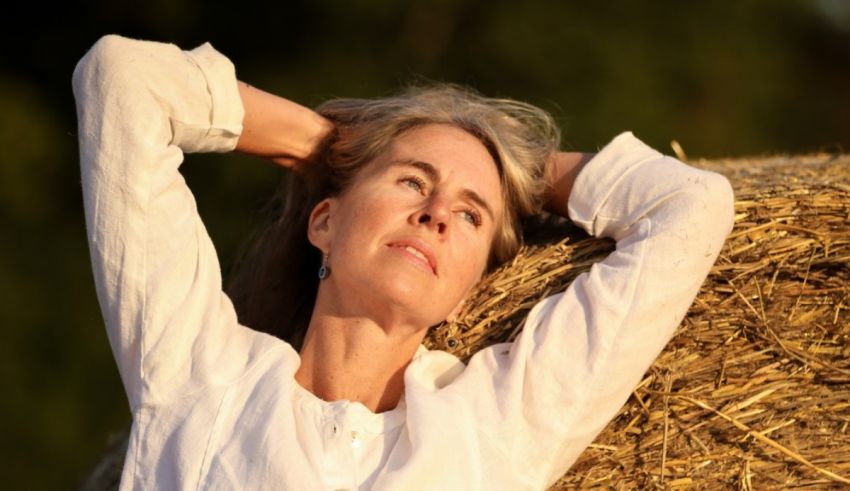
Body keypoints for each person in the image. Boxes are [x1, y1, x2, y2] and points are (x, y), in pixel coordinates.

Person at [73, 34, 735, 490]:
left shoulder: (494, 427)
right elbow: (121, 80)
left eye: (472, 213)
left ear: (467, 292)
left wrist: (515, 171)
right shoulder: (201, 376)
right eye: (413, 181)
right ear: (325, 222)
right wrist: (325, 141)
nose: (439, 211)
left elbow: (689, 207)